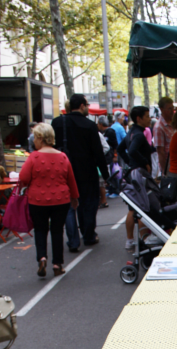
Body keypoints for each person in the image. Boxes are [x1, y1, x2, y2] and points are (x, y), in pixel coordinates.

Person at [18, 123, 79, 277]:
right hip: (61, 199)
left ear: (39, 138)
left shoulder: (33, 157)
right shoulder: (62, 156)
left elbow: (23, 178)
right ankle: (57, 264)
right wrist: (75, 197)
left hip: (37, 199)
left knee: (40, 229)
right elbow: (71, 179)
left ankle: (42, 257)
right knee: (57, 230)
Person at [52, 94, 109, 250]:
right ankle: (88, 235)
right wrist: (105, 175)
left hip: (63, 172)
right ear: (82, 106)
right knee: (88, 204)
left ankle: (73, 241)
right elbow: (98, 153)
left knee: (69, 207)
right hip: (87, 172)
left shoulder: (57, 123)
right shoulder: (89, 125)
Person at [118, 106, 156, 250]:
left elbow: (122, 149)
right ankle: (143, 239)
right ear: (139, 118)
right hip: (139, 175)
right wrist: (144, 163)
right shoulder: (139, 135)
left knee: (133, 208)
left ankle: (130, 239)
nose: (149, 118)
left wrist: (130, 163)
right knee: (143, 206)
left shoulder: (131, 132)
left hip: (132, 173)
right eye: (147, 116)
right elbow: (132, 150)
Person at [153, 96, 174, 175]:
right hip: (169, 167)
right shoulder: (159, 127)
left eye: (172, 108)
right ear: (162, 109)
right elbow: (160, 152)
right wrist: (165, 172)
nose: (172, 111)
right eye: (169, 109)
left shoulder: (173, 123)